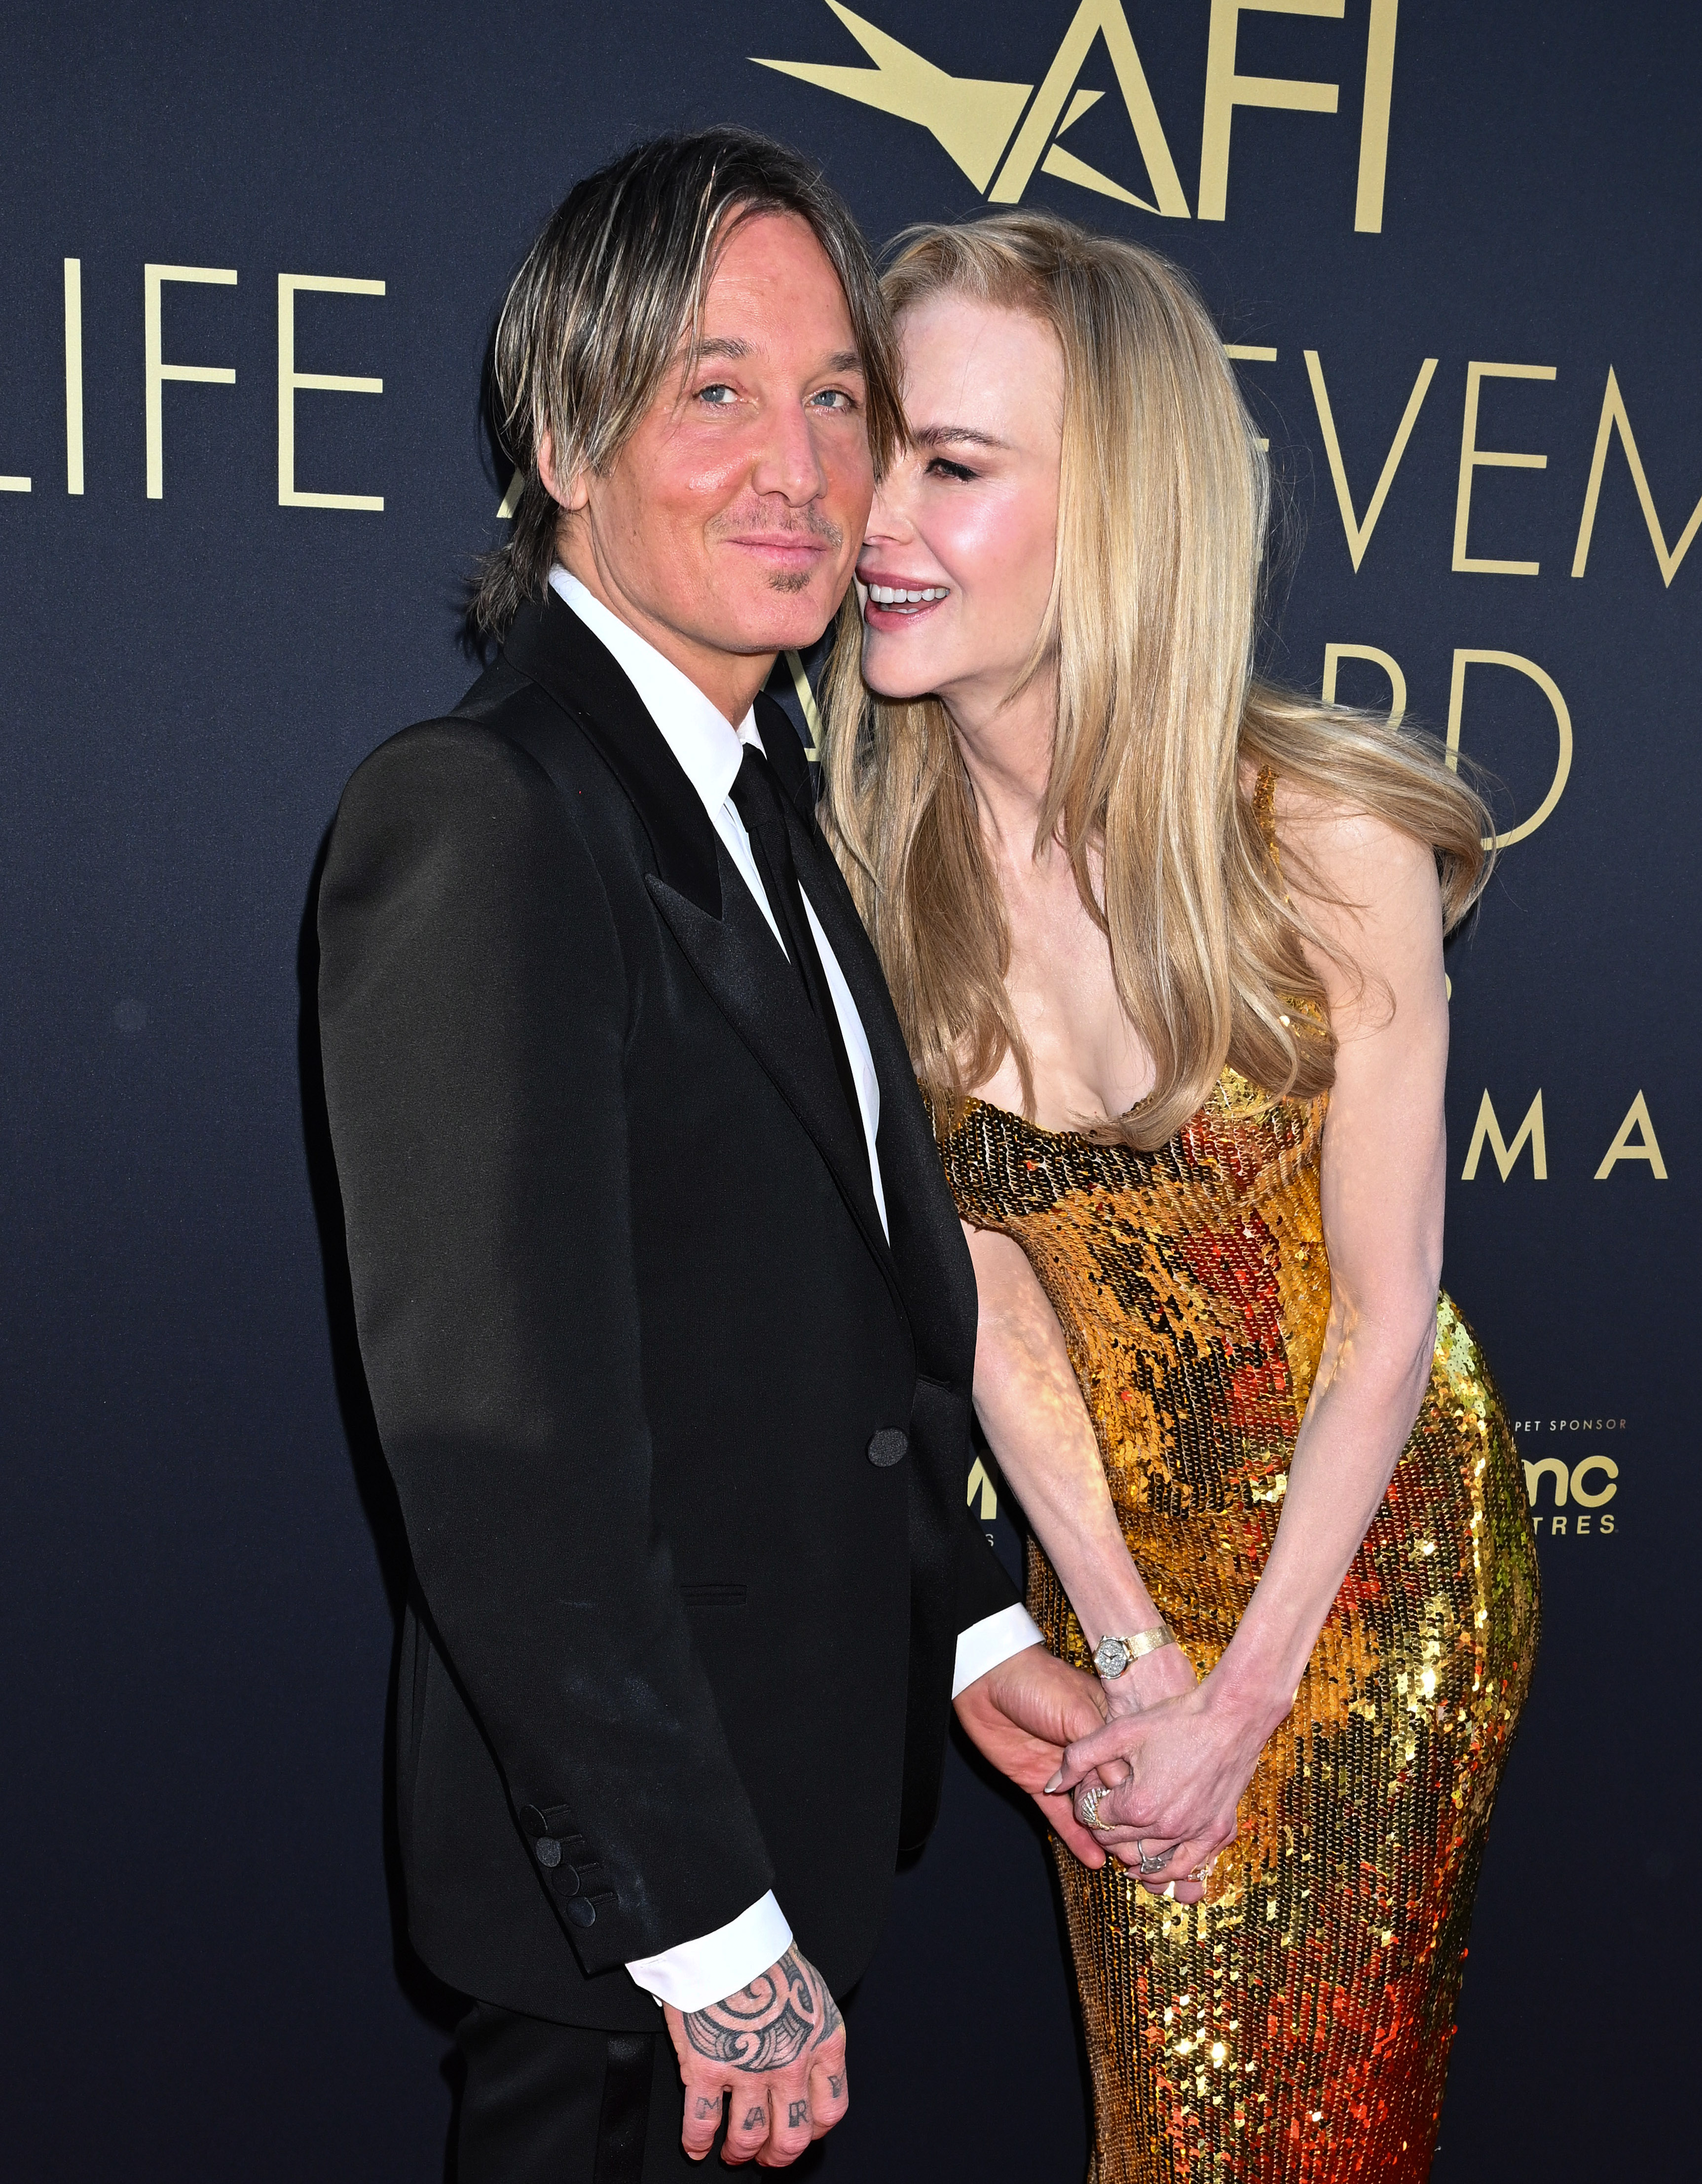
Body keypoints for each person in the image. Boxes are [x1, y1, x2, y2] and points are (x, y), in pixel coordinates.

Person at [316, 136, 1108, 2183]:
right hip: (638, 1947)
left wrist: (965, 1623)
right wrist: (696, 1928)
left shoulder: (761, 790)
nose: (801, 468)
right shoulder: (486, 814)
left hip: (786, 1834)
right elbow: (502, 1449)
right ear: (570, 439)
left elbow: (823, 1292)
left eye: (836, 396)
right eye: (713, 391)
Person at [820, 210, 1541, 2182]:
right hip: (1117, 1567)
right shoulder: (864, 892)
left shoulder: (1323, 846)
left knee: (1316, 2135)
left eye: (951, 466)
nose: (872, 514)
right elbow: (988, 1304)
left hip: (1372, 1561)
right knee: (1159, 2126)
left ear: (1119, 511)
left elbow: (1387, 1321)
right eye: (871, 443)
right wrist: (1138, 1654)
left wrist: (1248, 1697)